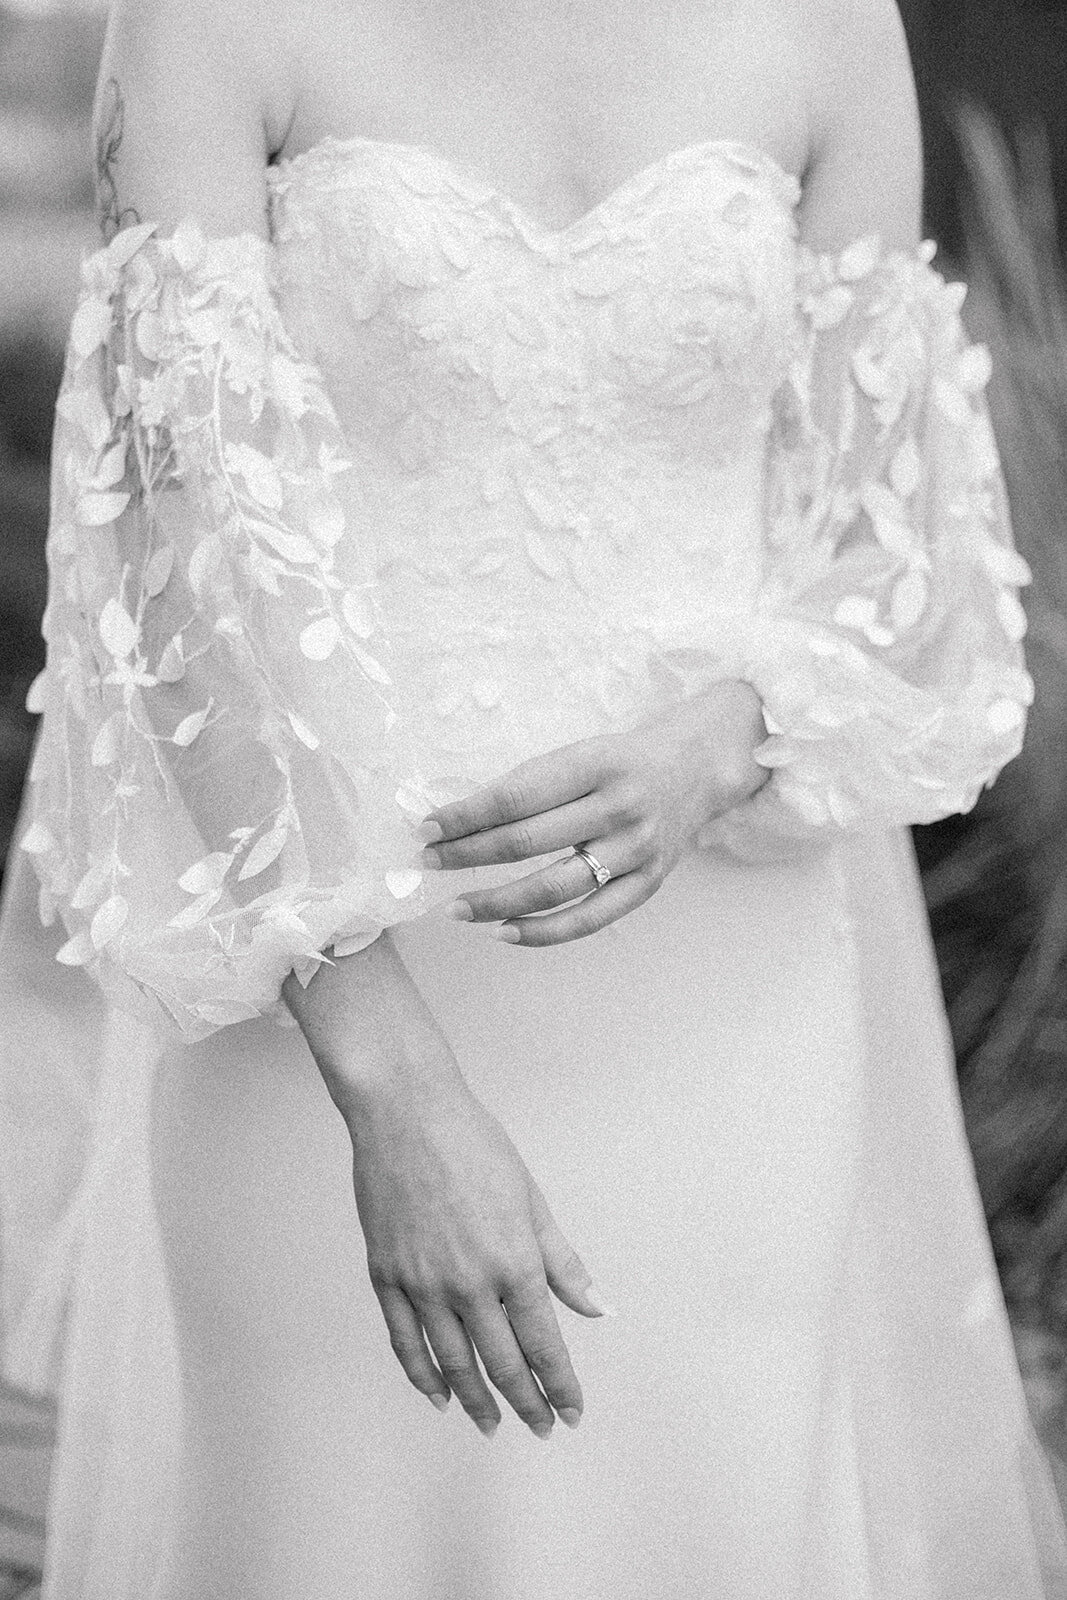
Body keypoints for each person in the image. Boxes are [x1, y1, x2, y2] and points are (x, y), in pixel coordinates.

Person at [1, 0, 1066, 1593]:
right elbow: (174, 580)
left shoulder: (826, 29)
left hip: (731, 1010)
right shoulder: (217, 24)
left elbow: (895, 550)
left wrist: (734, 729)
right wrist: (395, 1088)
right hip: (327, 1005)